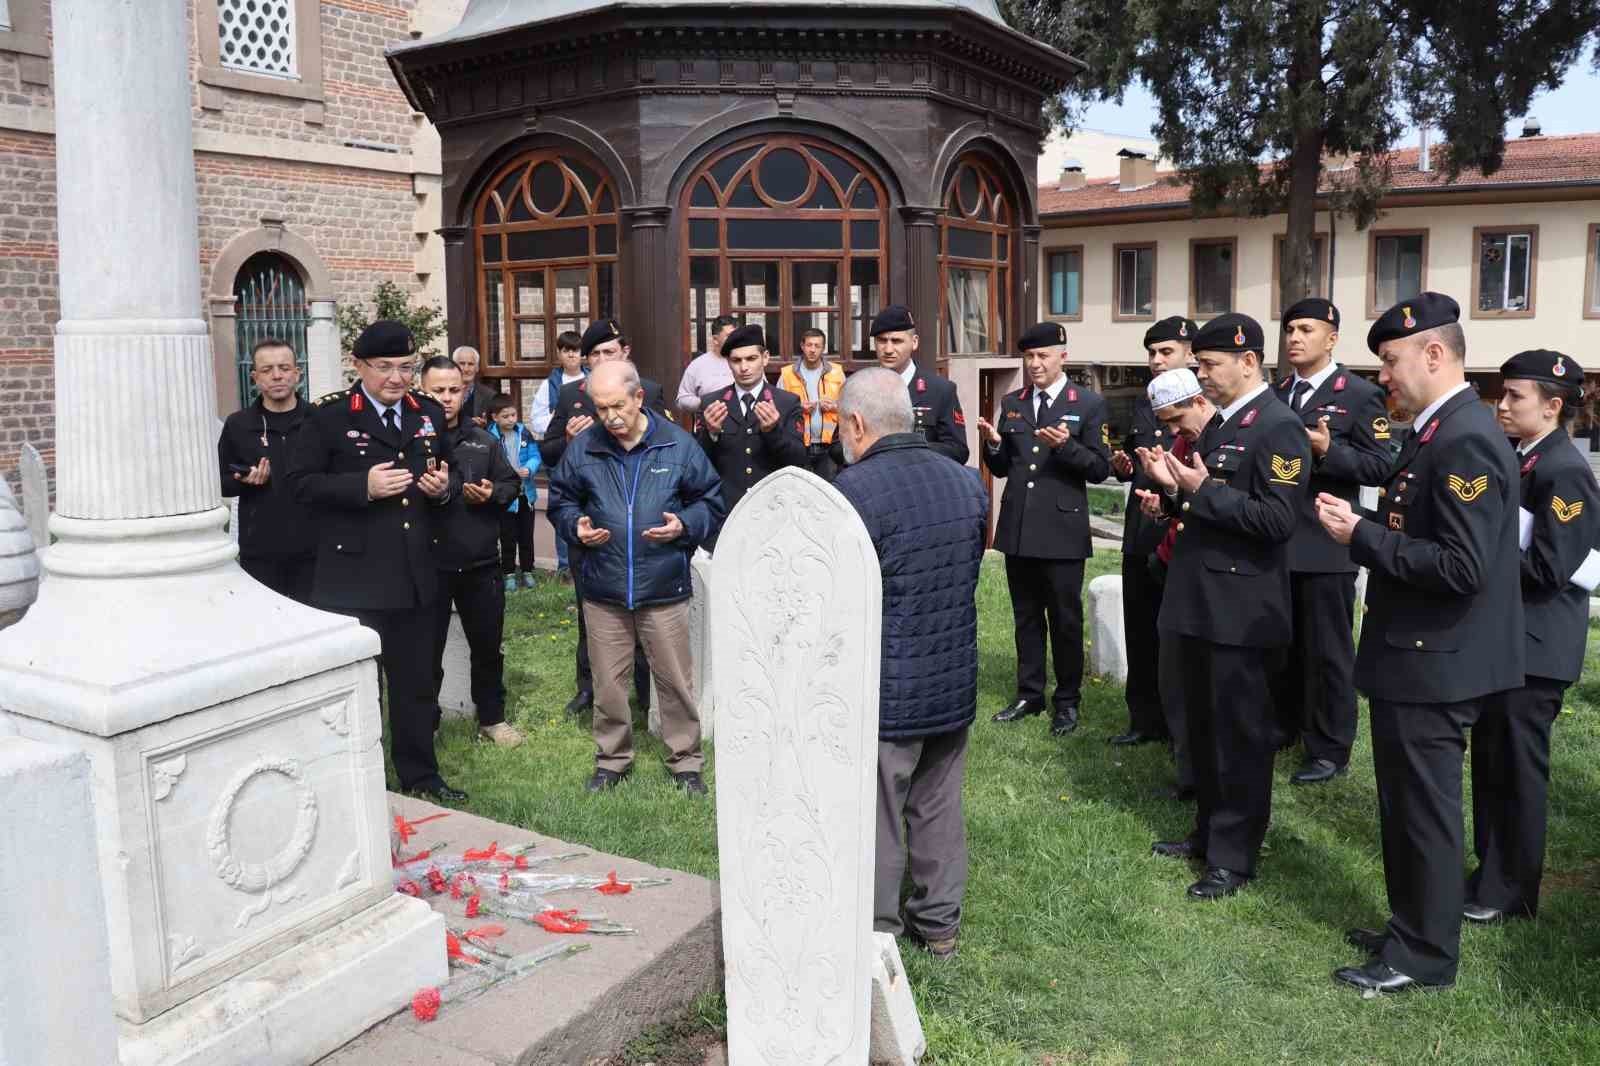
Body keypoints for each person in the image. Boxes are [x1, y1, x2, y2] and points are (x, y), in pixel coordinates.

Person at [1315, 292, 1524, 994]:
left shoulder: (1463, 437)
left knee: (1424, 814)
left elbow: (1462, 567)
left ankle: (1424, 958)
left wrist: (1362, 536)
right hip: (1418, 656)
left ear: (1434, 354)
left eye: (1391, 361)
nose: (1384, 378)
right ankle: (1412, 926)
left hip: (1436, 662)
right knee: (1404, 809)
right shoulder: (1440, 432)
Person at [1136, 314, 1308, 901]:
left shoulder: (1278, 428)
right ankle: (1208, 833)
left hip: (1242, 609)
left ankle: (1234, 856)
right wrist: (1172, 496)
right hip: (1199, 598)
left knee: (1238, 733)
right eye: (1198, 365)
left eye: (1208, 366)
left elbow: (1277, 521)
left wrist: (1203, 491)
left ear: (1249, 362)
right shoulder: (1223, 424)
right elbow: (1205, 506)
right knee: (1204, 726)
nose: (1199, 375)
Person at [833, 367, 988, 958]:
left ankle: (877, 934)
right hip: (951, 677)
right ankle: (939, 925)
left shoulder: (852, 492)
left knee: (878, 811)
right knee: (940, 803)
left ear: (856, 423)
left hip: (885, 683)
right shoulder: (966, 481)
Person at [288, 320, 466, 802]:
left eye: (406, 367)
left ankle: (420, 776)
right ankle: (354, 781)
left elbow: (450, 473)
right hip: (355, 577)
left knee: (416, 682)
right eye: (384, 367)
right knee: (360, 686)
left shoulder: (426, 412)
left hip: (415, 573)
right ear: (360, 366)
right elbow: (299, 486)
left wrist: (443, 488)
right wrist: (360, 487)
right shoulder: (328, 417)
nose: (396, 377)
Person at [548, 360, 725, 794]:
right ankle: (612, 759)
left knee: (675, 681)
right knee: (608, 683)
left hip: (663, 587)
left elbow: (711, 500)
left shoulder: (678, 445)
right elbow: (560, 499)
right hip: (604, 587)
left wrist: (684, 525)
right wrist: (575, 527)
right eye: (601, 407)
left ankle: (685, 762)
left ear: (639, 398)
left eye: (617, 406)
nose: (610, 416)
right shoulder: (584, 447)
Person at [1466, 350, 1600, 924]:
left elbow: (1551, 566)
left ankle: (1511, 892)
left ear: (1552, 406)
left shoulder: (1563, 470)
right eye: (1502, 392)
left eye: (1515, 395)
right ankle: (1489, 872)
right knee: (1492, 763)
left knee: (1517, 771)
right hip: (1510, 641)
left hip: (1538, 647)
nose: (1502, 403)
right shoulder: (1524, 458)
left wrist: (1475, 565)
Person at [1269, 298, 1393, 783]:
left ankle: (1330, 747)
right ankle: (1286, 726)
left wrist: (1330, 451)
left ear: (1332, 337)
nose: (1295, 338)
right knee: (1282, 643)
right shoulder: (1277, 393)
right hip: (1278, 538)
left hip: (1326, 541)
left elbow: (1382, 465)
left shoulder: (1359, 395)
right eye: (1290, 329)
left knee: (1328, 650)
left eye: (1306, 329)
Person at [978, 322, 1110, 737]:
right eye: (1029, 357)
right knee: (1026, 616)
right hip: (1019, 527)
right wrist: (995, 445)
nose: (1035, 364)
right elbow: (1003, 468)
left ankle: (1067, 701)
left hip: (1062, 529)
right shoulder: (1013, 401)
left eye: (1043, 356)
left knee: (1065, 619)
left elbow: (1100, 468)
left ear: (1062, 357)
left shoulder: (1086, 404)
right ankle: (1029, 693)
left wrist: (1066, 448)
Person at [540, 319, 669, 716]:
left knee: (646, 616)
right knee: (589, 611)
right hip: (592, 523)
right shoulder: (568, 394)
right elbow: (548, 452)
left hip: (637, 522)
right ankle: (589, 687)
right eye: (592, 354)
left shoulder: (647, 389)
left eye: (607, 352)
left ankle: (647, 694)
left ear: (624, 352)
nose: (599, 359)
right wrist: (568, 442)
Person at [420, 357, 525, 748]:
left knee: (487, 646)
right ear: (422, 391)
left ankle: (492, 719)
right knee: (425, 652)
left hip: (480, 563)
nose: (446, 398)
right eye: (437, 390)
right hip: (427, 565)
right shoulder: (412, 442)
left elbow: (511, 485)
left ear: (465, 392)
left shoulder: (483, 440)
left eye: (454, 390)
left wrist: (491, 495)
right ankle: (425, 721)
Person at [1108, 317, 1195, 752]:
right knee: (1139, 629)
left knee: (1175, 635)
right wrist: (1123, 467)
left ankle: (1178, 723)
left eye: (1166, 352)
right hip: (1141, 529)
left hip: (1179, 531)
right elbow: (1131, 455)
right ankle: (1143, 718)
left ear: (1190, 353)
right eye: (1152, 353)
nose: (1156, 361)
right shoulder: (1144, 403)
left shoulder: (1200, 404)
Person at [218, 337, 316, 604]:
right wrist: (245, 480)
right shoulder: (238, 425)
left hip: (315, 550)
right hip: (261, 552)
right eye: (266, 370)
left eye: (284, 368)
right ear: (255, 377)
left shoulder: (319, 420)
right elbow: (220, 482)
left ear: (297, 373)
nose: (276, 376)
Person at [695, 322, 805, 549]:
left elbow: (800, 463)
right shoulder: (711, 403)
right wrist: (711, 434)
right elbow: (697, 466)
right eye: (736, 361)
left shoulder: (786, 402)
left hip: (773, 515)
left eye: (751, 359)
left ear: (765, 358)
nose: (744, 367)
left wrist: (773, 432)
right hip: (727, 516)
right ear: (728, 363)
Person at [833, 305, 968, 467]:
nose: (888, 349)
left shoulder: (940, 390)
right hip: (869, 482)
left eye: (896, 341)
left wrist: (908, 451)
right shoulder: (858, 386)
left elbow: (958, 450)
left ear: (914, 342)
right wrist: (873, 451)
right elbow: (836, 447)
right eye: (882, 341)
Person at [778, 327, 846, 480]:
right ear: (802, 346)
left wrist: (834, 407)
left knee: (828, 492)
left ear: (823, 348)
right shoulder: (788, 374)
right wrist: (798, 408)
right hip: (799, 445)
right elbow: (779, 409)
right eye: (809, 345)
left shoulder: (837, 372)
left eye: (817, 346)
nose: (813, 350)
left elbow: (850, 406)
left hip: (830, 446)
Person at [489, 395, 541, 590]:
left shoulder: (524, 432)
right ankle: (508, 573)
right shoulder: (490, 437)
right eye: (505, 416)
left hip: (525, 495)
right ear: (495, 417)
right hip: (504, 498)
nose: (511, 419)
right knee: (507, 537)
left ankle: (528, 570)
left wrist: (530, 468)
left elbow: (535, 455)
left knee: (526, 536)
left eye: (513, 415)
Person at [531, 330, 587, 440]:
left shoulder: (593, 378)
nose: (571, 355)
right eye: (566, 351)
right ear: (559, 354)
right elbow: (536, 421)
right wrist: (557, 418)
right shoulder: (550, 384)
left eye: (575, 350)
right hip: (561, 441)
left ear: (582, 353)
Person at [676, 314, 738, 414]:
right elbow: (682, 400)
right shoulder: (698, 365)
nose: (735, 339)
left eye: (737, 335)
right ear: (715, 339)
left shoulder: (746, 361)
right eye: (729, 336)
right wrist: (704, 402)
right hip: (709, 425)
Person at [452, 345, 503, 427]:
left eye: (471, 364)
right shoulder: (444, 393)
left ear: (477, 368)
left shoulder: (489, 396)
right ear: (454, 366)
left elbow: (498, 427)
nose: (466, 369)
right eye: (462, 363)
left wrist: (485, 426)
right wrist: (468, 423)